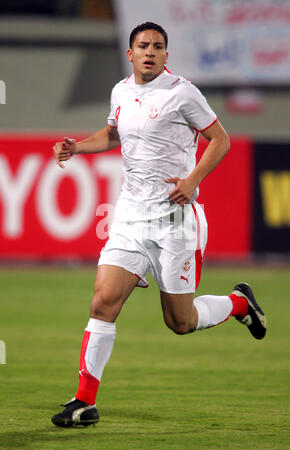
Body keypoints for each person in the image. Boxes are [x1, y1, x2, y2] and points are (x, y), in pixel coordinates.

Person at [51, 22, 266, 427]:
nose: (150, 51)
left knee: (179, 322)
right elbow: (115, 134)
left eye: (158, 46)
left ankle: (239, 303)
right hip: (131, 216)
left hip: (175, 221)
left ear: (167, 55)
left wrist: (192, 181)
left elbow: (220, 140)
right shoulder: (121, 91)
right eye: (143, 45)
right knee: (102, 301)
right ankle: (83, 402)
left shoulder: (182, 92)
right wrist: (78, 146)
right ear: (130, 53)